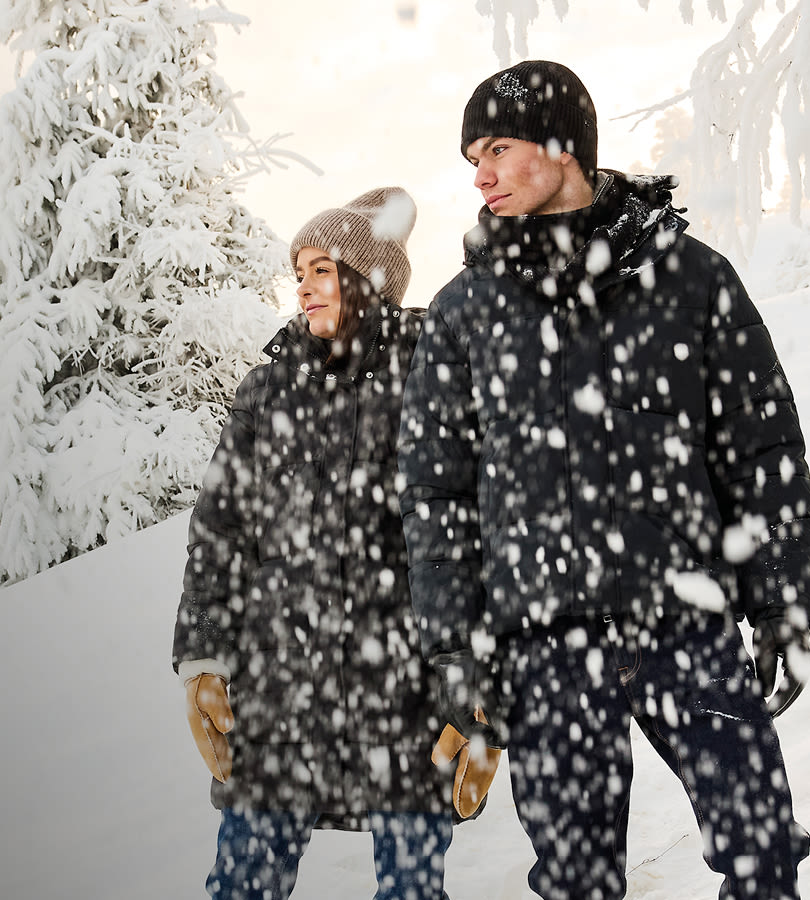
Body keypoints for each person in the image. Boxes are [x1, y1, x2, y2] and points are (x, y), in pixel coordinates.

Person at [397, 60, 810, 900]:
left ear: (561, 146)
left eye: (497, 147)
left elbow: (763, 450)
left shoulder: (691, 278)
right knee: (578, 883)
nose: (478, 174)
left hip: (686, 622)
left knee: (763, 854)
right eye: (471, 155)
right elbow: (436, 497)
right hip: (543, 647)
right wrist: (455, 648)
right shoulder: (461, 315)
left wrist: (780, 595)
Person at [173, 187, 455, 900]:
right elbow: (220, 529)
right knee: (244, 884)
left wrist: (471, 680)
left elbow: (460, 533)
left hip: (402, 688)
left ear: (368, 282)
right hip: (280, 687)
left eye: (321, 268)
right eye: (297, 270)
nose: (302, 284)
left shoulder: (428, 380)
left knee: (413, 887)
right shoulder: (266, 393)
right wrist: (204, 654)